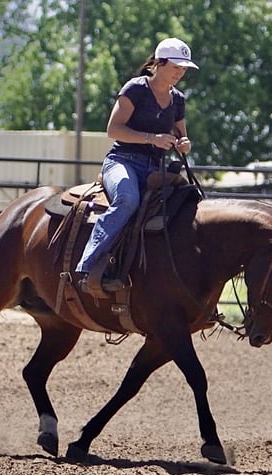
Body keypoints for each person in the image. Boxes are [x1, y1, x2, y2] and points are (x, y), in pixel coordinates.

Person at [76, 37, 199, 293]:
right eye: (176, 66)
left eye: (184, 68)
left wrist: (183, 144)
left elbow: (180, 136)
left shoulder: (177, 99)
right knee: (127, 199)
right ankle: (86, 266)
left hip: (155, 168)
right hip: (122, 161)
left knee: (185, 205)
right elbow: (113, 129)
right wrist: (151, 138)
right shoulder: (136, 89)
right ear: (159, 63)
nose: (180, 72)